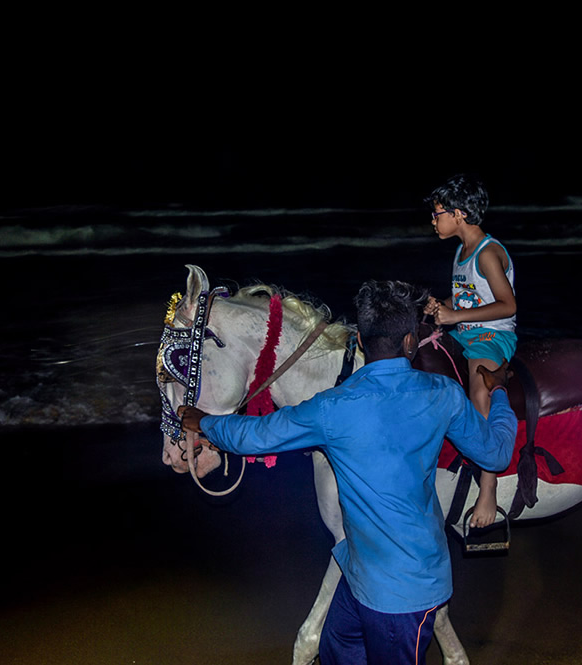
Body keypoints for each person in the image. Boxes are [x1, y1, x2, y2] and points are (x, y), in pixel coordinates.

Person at [180, 280, 516, 665]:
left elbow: (254, 437)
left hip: (400, 598)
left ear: (358, 340)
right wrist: (500, 391)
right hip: (365, 578)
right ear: (410, 342)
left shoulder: (332, 408)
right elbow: (496, 452)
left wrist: (204, 422)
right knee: (337, 650)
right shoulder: (443, 393)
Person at [423, 173, 518, 529]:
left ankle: (489, 485)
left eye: (438, 214)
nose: (434, 221)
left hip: (491, 337)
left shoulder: (488, 253)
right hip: (464, 332)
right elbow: (466, 297)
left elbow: (507, 305)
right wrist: (440, 310)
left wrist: (454, 315)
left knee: (479, 387)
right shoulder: (461, 252)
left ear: (459, 214)